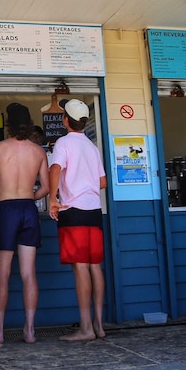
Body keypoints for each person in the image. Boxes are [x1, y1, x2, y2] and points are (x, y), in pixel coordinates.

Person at [0, 103, 49, 344]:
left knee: (2, 273)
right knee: (28, 273)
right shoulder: (38, 151)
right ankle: (30, 330)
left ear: (8, 124)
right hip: (29, 209)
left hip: (6, 209)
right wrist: (29, 198)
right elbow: (46, 187)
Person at [48, 99, 107, 342]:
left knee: (80, 267)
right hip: (94, 211)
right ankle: (99, 325)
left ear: (65, 120)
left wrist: (53, 198)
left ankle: (85, 328)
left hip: (74, 211)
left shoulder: (63, 142)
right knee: (95, 266)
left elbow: (55, 169)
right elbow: (102, 182)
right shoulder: (92, 147)